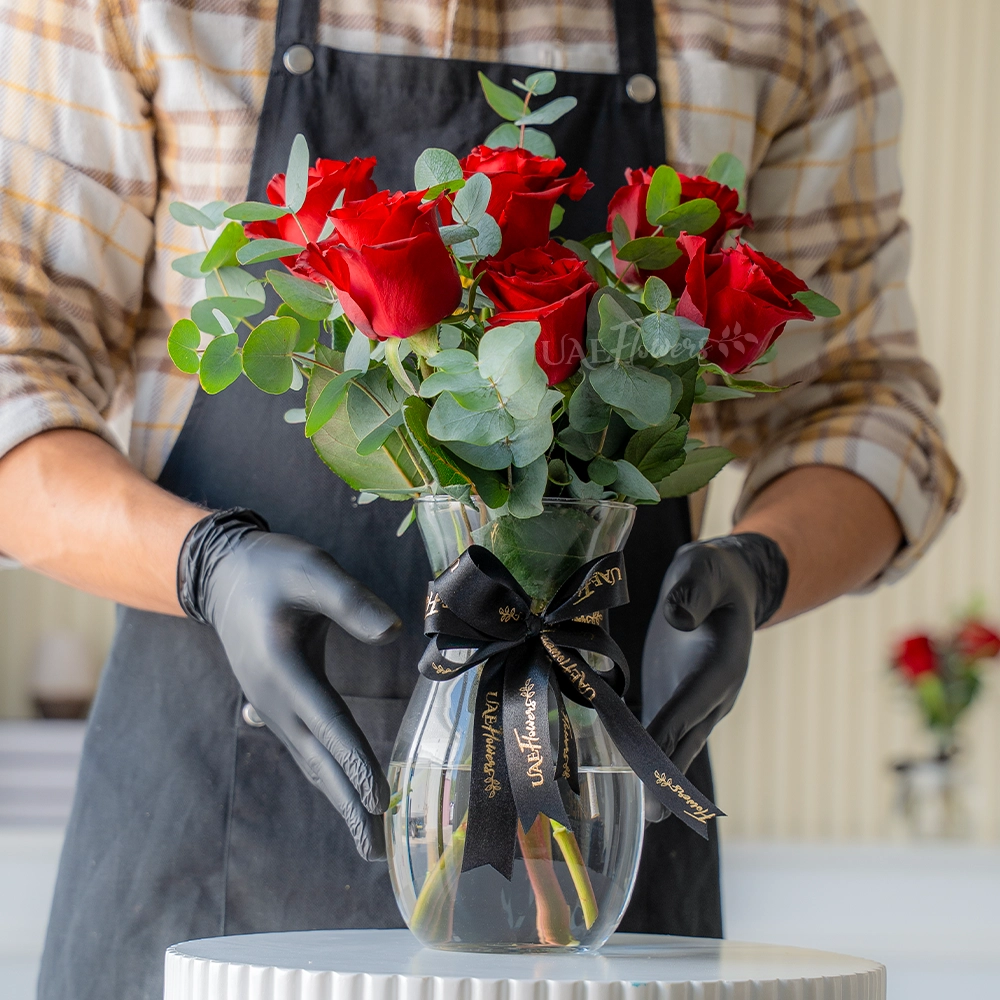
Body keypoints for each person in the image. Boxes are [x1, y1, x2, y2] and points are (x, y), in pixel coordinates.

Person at [0, 0, 960, 997]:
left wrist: (757, 571)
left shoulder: (778, 25)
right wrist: (205, 565)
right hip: (204, 861)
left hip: (595, 854)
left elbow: (865, 405)